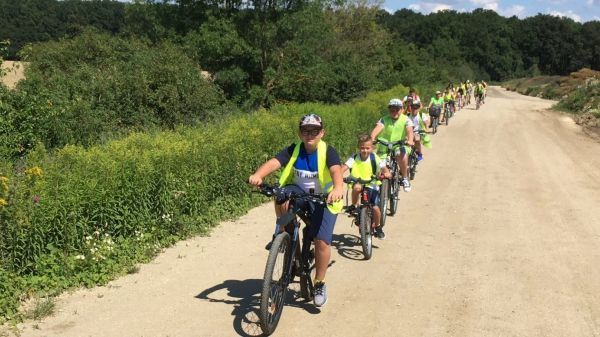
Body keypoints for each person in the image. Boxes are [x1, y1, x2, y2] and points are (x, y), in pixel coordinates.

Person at [248, 113, 344, 308]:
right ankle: (285, 236)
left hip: (324, 197)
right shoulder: (294, 149)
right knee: (280, 194)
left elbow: (336, 170)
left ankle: (319, 283)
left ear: (321, 132)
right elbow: (275, 162)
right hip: (301, 192)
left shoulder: (328, 151)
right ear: (300, 133)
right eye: (306, 130)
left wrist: (338, 189)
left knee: (321, 240)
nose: (310, 134)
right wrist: (258, 175)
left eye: (314, 130)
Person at [342, 134, 391, 239]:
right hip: (358, 182)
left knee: (376, 208)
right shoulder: (354, 158)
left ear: (372, 148)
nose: (364, 150)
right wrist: (338, 175)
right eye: (362, 148)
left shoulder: (374, 158)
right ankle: (354, 205)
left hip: (372, 184)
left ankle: (378, 227)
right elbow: (344, 168)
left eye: (367, 148)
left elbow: (383, 168)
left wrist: (386, 173)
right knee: (356, 188)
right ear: (358, 148)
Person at [370, 98, 415, 192]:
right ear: (389, 110)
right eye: (392, 109)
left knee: (401, 154)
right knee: (378, 164)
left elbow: (410, 130)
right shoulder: (384, 119)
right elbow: (377, 129)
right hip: (384, 145)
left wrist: (410, 140)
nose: (394, 112)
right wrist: (372, 139)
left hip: (400, 144)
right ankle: (376, 186)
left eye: (397, 109)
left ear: (402, 109)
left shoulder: (406, 119)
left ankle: (405, 178)